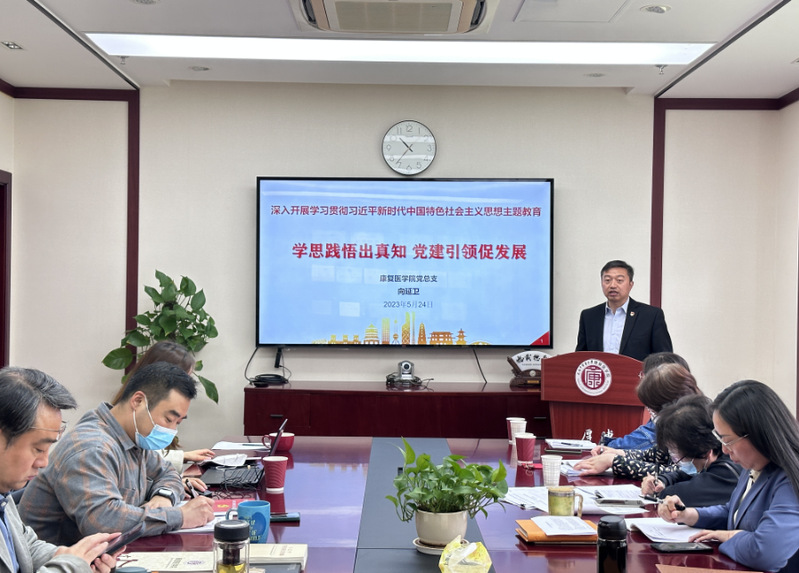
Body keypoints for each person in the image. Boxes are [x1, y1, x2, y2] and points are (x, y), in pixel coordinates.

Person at [18, 362, 215, 546]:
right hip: (58, 561)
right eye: (169, 419)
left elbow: (168, 473)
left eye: (178, 423)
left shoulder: (134, 438)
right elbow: (103, 521)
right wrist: (180, 516)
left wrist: (163, 497)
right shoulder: (93, 447)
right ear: (138, 401)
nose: (172, 430)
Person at [658, 380, 799, 572]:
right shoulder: (753, 465)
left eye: (728, 440)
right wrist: (688, 515)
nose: (724, 450)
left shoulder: (790, 478)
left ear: (757, 434)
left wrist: (730, 536)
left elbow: (765, 552)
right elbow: (733, 512)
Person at [0, 366, 121, 573]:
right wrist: (70, 566)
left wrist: (77, 557)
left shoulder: (4, 494)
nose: (44, 462)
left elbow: (26, 547)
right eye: (38, 449)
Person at [112, 341, 215, 493]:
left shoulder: (139, 434)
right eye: (168, 420)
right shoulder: (99, 447)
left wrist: (166, 492)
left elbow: (163, 473)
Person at [573, 362, 701, 478]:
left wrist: (614, 461)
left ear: (670, 404)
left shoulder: (697, 427)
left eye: (653, 409)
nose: (652, 415)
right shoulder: (680, 424)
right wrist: (618, 453)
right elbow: (657, 455)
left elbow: (681, 473)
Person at [641, 394, 742, 506]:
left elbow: (681, 494)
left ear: (705, 452)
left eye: (679, 456)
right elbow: (684, 475)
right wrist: (662, 481)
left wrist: (658, 492)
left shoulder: (727, 473)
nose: (677, 462)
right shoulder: (709, 460)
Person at [575, 260, 673, 361]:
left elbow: (665, 358)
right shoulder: (589, 316)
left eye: (619, 280)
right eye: (607, 280)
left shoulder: (651, 316)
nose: (613, 285)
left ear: (631, 284)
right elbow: (579, 358)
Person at [602, 351, 691, 450]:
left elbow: (610, 449)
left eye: (643, 377)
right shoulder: (692, 413)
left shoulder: (657, 431)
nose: (641, 380)